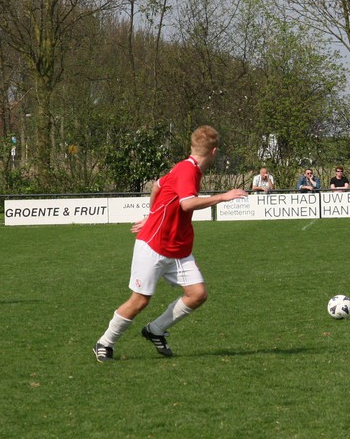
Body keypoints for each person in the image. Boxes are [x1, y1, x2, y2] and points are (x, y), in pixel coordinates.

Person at [94, 125, 247, 362]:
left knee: (197, 294)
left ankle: (155, 330)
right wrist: (222, 196)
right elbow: (187, 203)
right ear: (214, 152)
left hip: (178, 248)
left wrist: (151, 215)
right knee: (140, 300)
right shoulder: (187, 170)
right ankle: (105, 343)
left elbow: (158, 185)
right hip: (154, 245)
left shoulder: (185, 168)